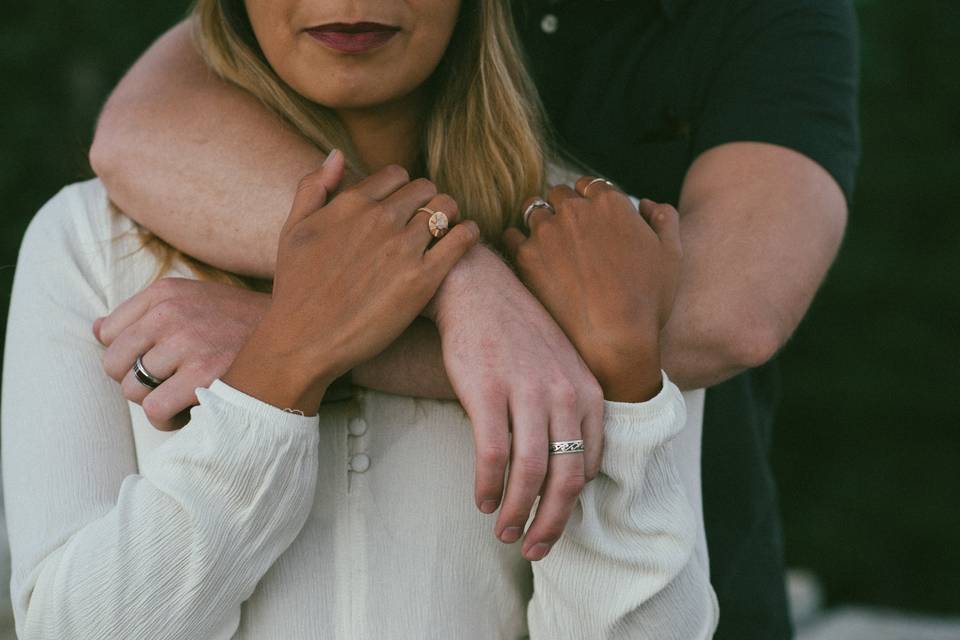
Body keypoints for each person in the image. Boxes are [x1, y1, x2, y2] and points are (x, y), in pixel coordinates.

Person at [89, 1, 860, 637]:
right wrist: (458, 285)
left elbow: (726, 316)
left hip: (699, 566)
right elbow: (142, 130)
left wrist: (298, 340)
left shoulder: (774, 17)